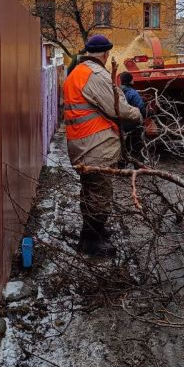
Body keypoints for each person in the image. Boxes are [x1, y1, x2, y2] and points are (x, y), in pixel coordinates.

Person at [63, 34, 142, 256]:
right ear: (106, 54)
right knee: (99, 192)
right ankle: (92, 242)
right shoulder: (94, 74)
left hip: (81, 142)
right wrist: (138, 113)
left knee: (90, 190)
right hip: (95, 144)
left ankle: (90, 233)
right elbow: (117, 108)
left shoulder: (76, 73)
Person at [119, 71, 147, 158]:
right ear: (130, 81)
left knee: (125, 145)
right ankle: (138, 161)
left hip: (120, 125)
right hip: (132, 124)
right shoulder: (132, 93)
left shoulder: (117, 91)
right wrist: (148, 113)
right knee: (136, 144)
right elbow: (141, 108)